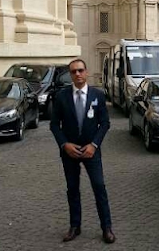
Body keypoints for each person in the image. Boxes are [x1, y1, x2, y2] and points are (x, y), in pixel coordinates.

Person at [50, 59, 116, 244]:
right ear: (70, 75)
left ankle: (106, 228)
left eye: (80, 70)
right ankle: (74, 226)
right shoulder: (62, 96)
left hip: (91, 151)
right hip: (69, 152)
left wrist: (94, 145)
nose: (77, 74)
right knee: (72, 189)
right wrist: (65, 145)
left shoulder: (98, 95)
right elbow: (54, 125)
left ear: (86, 72)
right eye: (73, 72)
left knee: (99, 187)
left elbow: (105, 123)